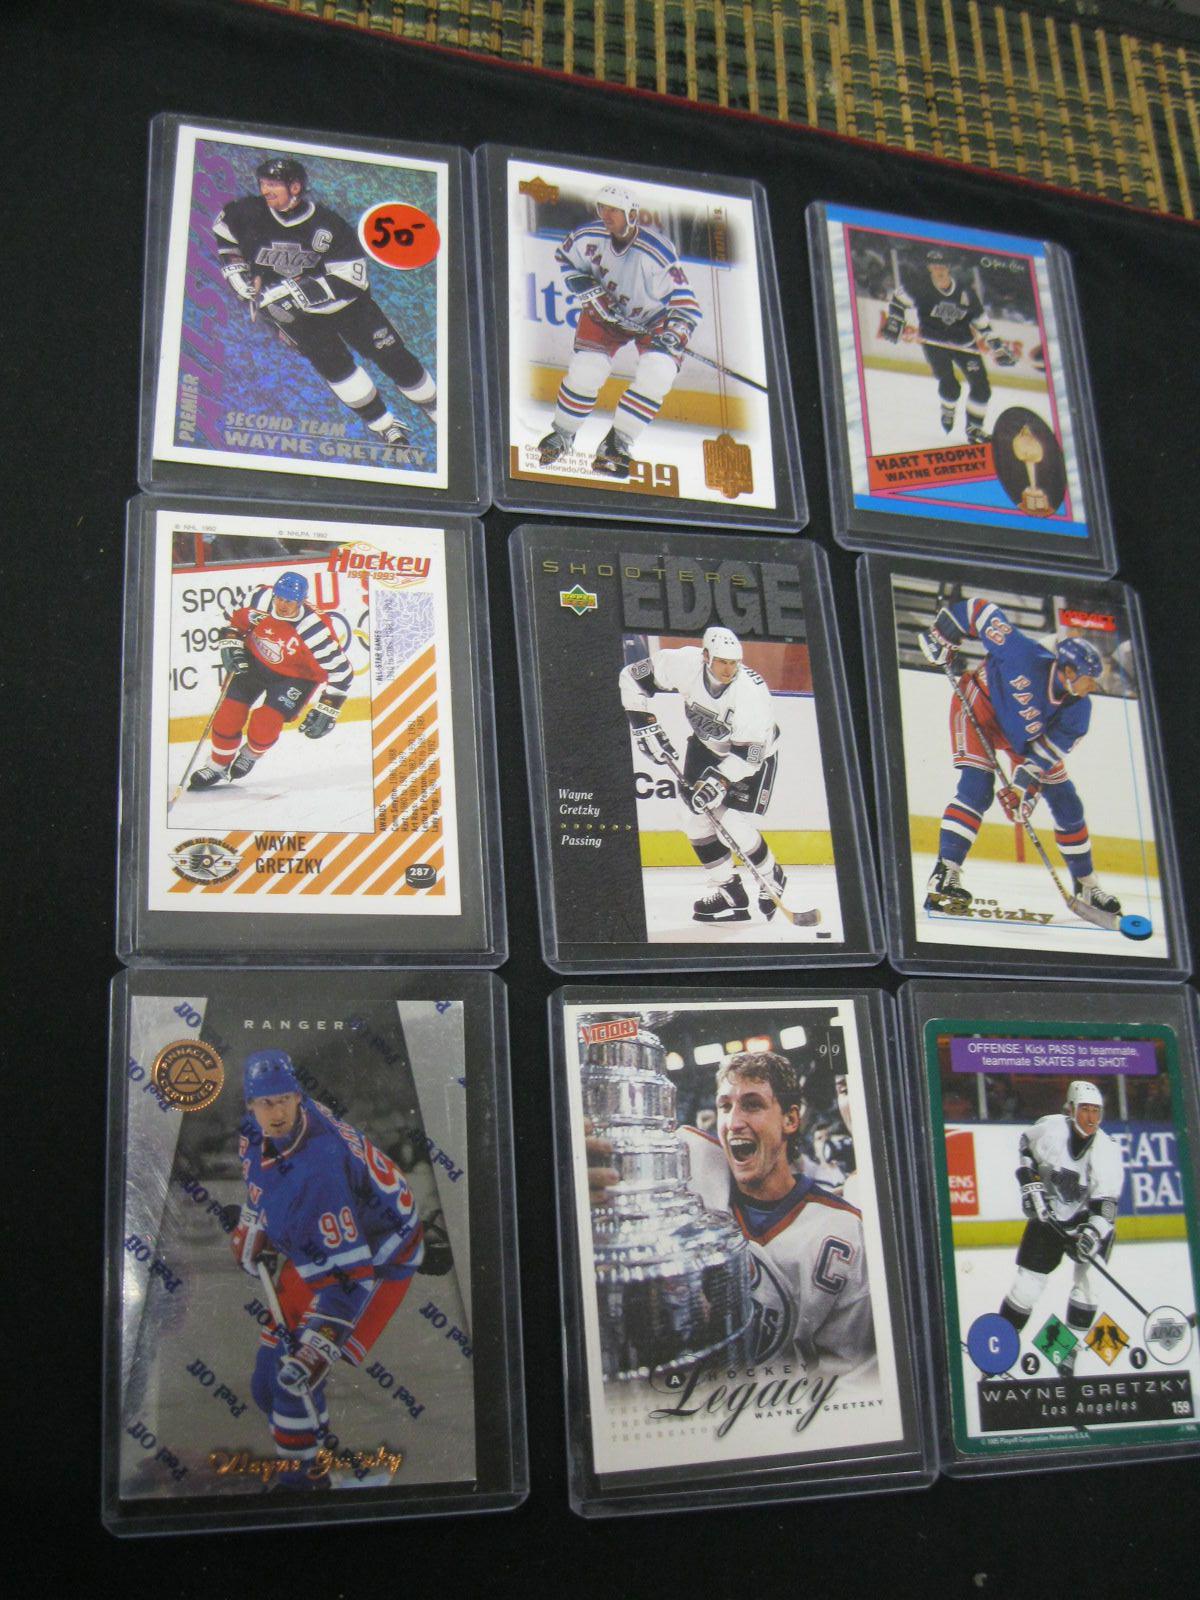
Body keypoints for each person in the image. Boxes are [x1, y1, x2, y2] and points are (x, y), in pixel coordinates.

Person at [589, 1050, 874, 1377]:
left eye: (752, 1105)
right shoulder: (687, 1173)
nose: (734, 1122)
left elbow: (853, 1380)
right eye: (725, 1106)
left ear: (790, 1120)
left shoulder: (843, 1229)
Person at [230, 1050, 425, 1484]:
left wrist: (318, 1348)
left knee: (293, 1380)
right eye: (265, 1102)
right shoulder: (254, 1130)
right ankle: (318, 1464)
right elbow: (262, 1180)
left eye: (284, 1099)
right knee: (265, 1386)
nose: (276, 1112)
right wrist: (253, 1221)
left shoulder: (317, 1174)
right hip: (331, 1241)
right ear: (250, 1105)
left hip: (380, 1255)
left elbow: (348, 1282)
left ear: (299, 1097)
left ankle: (306, 1488)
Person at [213, 155, 436, 448]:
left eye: (273, 185)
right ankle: (385, 425)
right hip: (297, 317)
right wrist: (236, 271)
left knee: (394, 357)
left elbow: (352, 279)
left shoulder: (329, 224)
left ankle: (434, 406)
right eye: (263, 184)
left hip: (349, 307)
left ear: (295, 187)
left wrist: (293, 291)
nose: (265, 191)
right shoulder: (245, 212)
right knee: (336, 369)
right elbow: (226, 236)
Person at [918, 597, 1120, 919]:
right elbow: (978, 610)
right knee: (976, 788)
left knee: (1067, 802)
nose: (1093, 685)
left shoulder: (1079, 711)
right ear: (1069, 671)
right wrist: (942, 636)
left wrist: (1023, 790)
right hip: (980, 708)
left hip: (1024, 740)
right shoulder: (1023, 654)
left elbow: (1040, 758)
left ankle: (1086, 884)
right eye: (1089, 678)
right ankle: (945, 874)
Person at [618, 625, 787, 925]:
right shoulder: (683, 663)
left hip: (750, 756)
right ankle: (729, 891)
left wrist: (718, 782)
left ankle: (771, 874)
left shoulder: (750, 696)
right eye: (722, 661)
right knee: (691, 816)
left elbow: (748, 757)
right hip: (706, 747)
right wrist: (643, 723)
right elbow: (630, 677)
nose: (729, 669)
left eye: (734, 662)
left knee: (728, 821)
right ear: (706, 656)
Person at [537, 182, 702, 478]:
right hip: (606, 314)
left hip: (652, 319)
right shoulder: (588, 236)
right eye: (603, 208)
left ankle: (617, 444)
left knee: (659, 372)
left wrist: (675, 333)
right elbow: (566, 258)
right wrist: (586, 286)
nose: (606, 215)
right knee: (587, 370)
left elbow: (686, 304)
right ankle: (562, 434)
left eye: (614, 210)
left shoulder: (657, 252)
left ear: (632, 215)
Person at [997, 1080, 1124, 1374]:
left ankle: (1064, 1354)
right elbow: (1025, 1146)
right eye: (1085, 1110)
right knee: (1026, 1287)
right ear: (1070, 1109)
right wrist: (1030, 1182)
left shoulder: (1106, 1150)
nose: (1091, 1118)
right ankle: (999, 1347)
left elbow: (1105, 1208)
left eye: (1096, 1111)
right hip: (1049, 1217)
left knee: (1089, 1287)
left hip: (1087, 1224)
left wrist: (1091, 1235)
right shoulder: (1051, 1129)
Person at [188, 570, 353, 789]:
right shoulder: (258, 598)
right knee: (228, 714)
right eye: (279, 598)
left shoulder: (314, 629)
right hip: (255, 661)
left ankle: (250, 754)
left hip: (296, 677)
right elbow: (232, 619)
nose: (282, 605)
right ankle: (217, 765)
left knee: (265, 724)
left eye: (289, 601)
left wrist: (328, 709)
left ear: (302, 601)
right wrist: (231, 641)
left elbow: (342, 672)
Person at [881, 247, 1015, 444]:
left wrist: (997, 347)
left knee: (982, 388)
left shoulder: (966, 292)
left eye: (942, 265)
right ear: (929, 267)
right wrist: (895, 322)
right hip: (935, 344)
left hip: (965, 344)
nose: (939, 269)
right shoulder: (919, 286)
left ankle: (974, 429)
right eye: (935, 265)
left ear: (949, 267)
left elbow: (982, 323)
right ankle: (948, 408)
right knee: (951, 387)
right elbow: (898, 301)